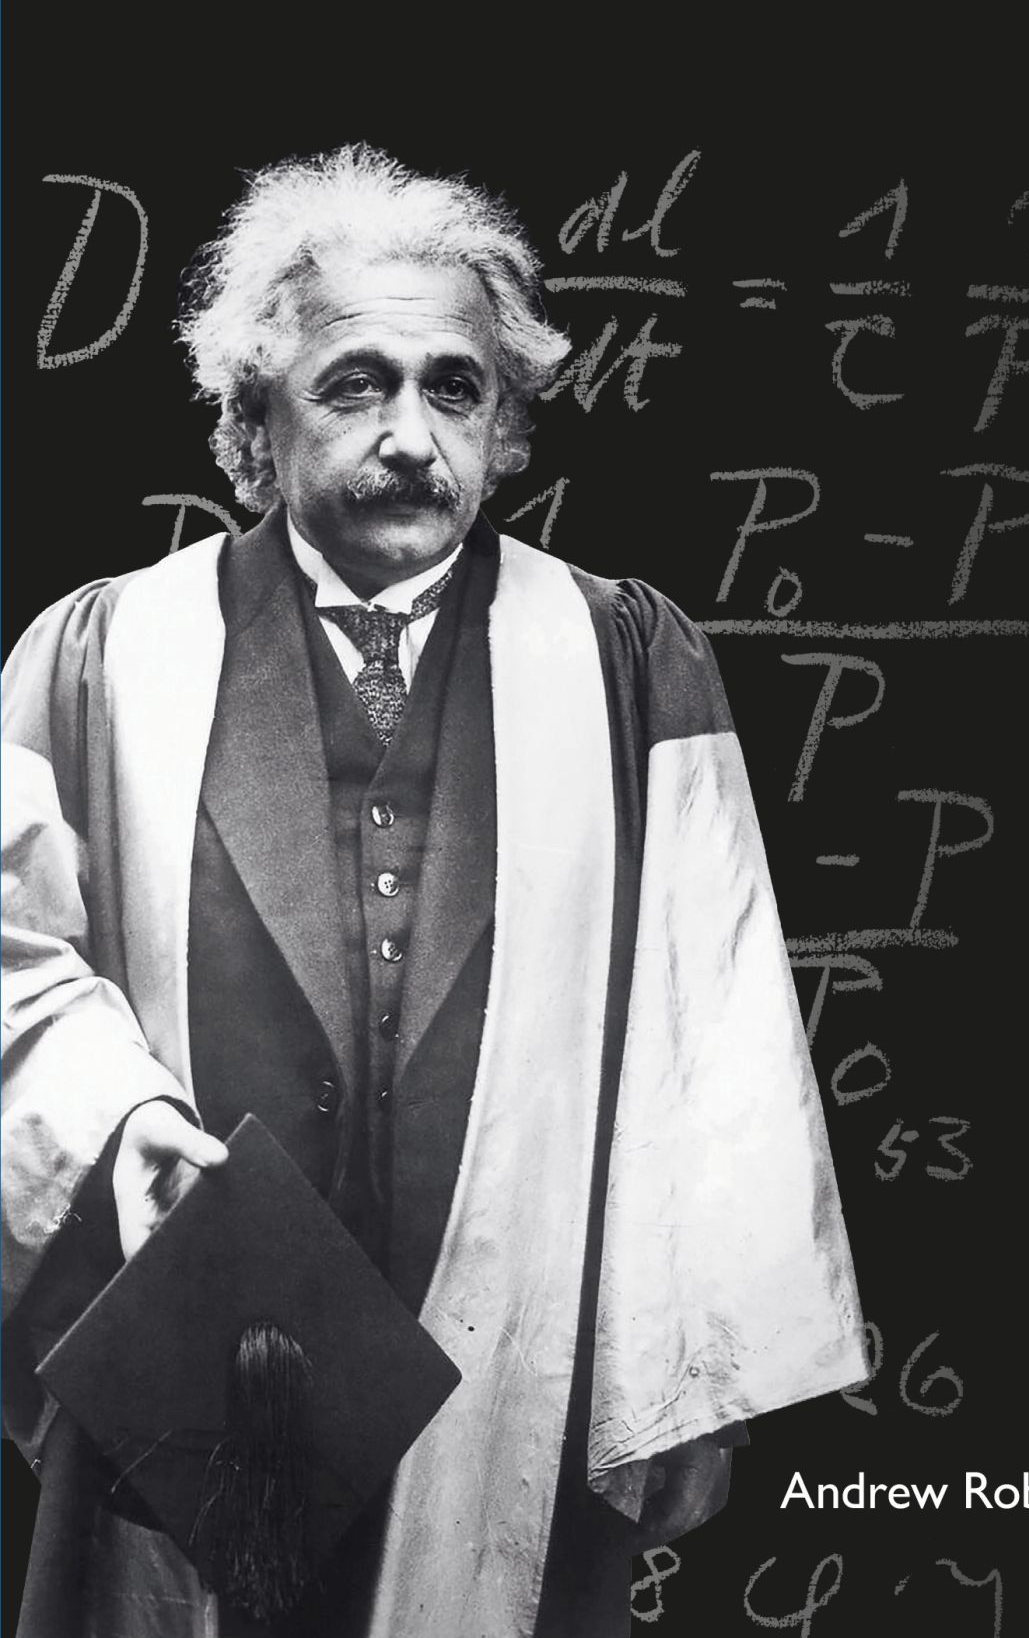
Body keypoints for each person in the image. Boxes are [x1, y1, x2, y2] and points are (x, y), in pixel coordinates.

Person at [2, 145, 866, 1637]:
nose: (411, 436)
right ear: (254, 420)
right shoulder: (99, 657)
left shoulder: (621, 660)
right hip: (196, 1354)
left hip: (514, 1350)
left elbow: (710, 1017)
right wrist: (119, 1123)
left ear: (506, 423)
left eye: (454, 389)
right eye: (355, 385)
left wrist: (695, 1368)